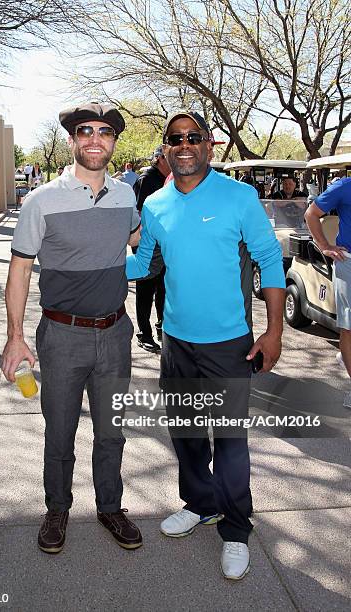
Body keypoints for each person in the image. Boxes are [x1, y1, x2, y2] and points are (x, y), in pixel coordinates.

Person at [126, 110, 285, 580]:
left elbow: (269, 261)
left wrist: (273, 332)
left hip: (229, 346)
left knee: (231, 442)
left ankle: (236, 530)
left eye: (194, 137)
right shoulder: (154, 204)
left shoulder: (239, 196)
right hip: (176, 344)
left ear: (210, 145)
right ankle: (200, 504)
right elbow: (145, 266)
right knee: (187, 434)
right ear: (166, 149)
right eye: (175, 138)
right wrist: (94, 259)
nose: (184, 144)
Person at [1, 102, 142, 554]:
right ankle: (57, 508)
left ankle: (110, 507)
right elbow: (20, 270)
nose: (95, 139)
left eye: (104, 132)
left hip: (116, 334)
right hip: (62, 337)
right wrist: (16, 337)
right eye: (86, 131)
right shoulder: (40, 201)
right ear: (72, 140)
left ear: (114, 143)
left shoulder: (125, 197)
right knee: (59, 432)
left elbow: (142, 241)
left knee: (111, 430)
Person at [305, 177, 351, 407]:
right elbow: (311, 214)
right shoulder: (344, 186)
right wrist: (324, 245)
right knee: (349, 328)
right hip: (349, 262)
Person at [132, 146, 170, 352]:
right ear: (159, 159)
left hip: (165, 246)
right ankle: (144, 333)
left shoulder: (173, 178)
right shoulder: (147, 179)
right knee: (145, 291)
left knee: (164, 290)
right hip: (147, 246)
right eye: (167, 157)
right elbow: (140, 213)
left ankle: (161, 326)